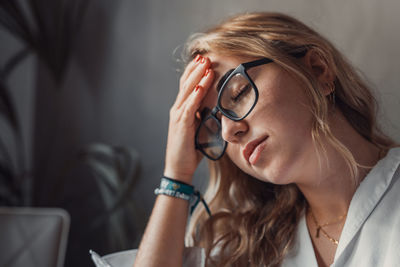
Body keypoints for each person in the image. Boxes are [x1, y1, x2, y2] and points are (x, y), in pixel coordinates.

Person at [133, 12, 400, 267]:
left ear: (318, 70)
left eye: (237, 94)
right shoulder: (243, 246)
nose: (227, 132)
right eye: (213, 127)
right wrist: (176, 174)